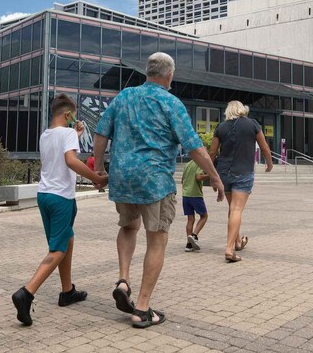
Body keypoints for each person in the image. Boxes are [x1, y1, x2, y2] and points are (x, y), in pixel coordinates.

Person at [93, 52, 225, 329]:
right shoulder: (170, 102)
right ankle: (141, 309)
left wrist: (99, 168)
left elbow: (101, 132)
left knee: (129, 227)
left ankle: (123, 280)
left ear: (147, 72)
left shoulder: (124, 96)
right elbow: (194, 147)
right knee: (157, 238)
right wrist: (214, 176)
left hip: (123, 177)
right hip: (154, 180)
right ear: (169, 75)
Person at [11, 94, 108, 326]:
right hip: (61, 197)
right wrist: (96, 178)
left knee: (66, 240)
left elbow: (59, 151)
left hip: (44, 195)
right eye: (73, 114)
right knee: (58, 249)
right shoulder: (67, 134)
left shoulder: (46, 134)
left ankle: (67, 292)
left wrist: (76, 134)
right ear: (68, 114)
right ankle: (26, 292)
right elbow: (71, 161)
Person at [210, 101, 273, 263]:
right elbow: (264, 146)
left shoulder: (221, 127)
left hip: (224, 173)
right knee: (237, 209)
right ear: (242, 110)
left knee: (232, 209)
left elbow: (212, 152)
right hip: (243, 171)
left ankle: (237, 242)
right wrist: (269, 162)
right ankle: (229, 249)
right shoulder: (252, 124)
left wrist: (210, 173)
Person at [181, 149, 209, 252]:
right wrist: (209, 175)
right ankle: (194, 235)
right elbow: (198, 177)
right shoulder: (199, 164)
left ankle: (188, 244)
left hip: (185, 194)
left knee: (190, 219)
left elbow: (182, 180)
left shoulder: (187, 164)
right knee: (204, 216)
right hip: (195, 195)